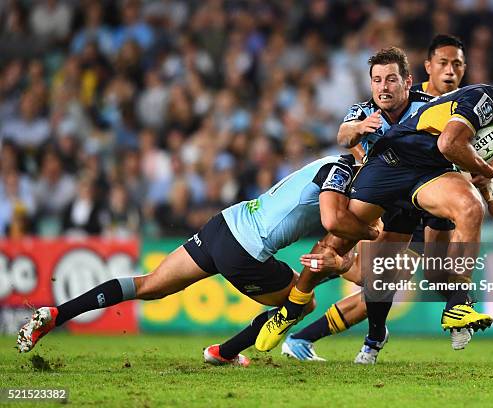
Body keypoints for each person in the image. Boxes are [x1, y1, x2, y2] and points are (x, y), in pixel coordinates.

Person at [257, 65, 493, 358]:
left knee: (468, 209)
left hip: (429, 177)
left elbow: (480, 164)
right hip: (393, 163)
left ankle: (456, 305)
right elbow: (450, 144)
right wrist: (490, 177)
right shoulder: (481, 100)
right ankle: (291, 311)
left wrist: (491, 196)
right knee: (339, 240)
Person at [17, 155, 378, 367]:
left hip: (223, 225)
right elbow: (332, 222)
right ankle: (223, 352)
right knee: (302, 300)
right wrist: (370, 234)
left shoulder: (330, 162)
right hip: (246, 249)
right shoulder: (343, 173)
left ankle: (57, 314)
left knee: (149, 285)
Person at [282, 37, 467, 362]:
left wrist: (490, 185)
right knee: (376, 279)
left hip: (426, 204)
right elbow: (344, 135)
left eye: (456, 65)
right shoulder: (368, 109)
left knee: (406, 276)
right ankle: (341, 335)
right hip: (391, 208)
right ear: (428, 68)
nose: (449, 71)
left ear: (407, 81)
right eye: (443, 64)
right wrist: (356, 131)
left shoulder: (434, 108)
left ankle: (447, 313)